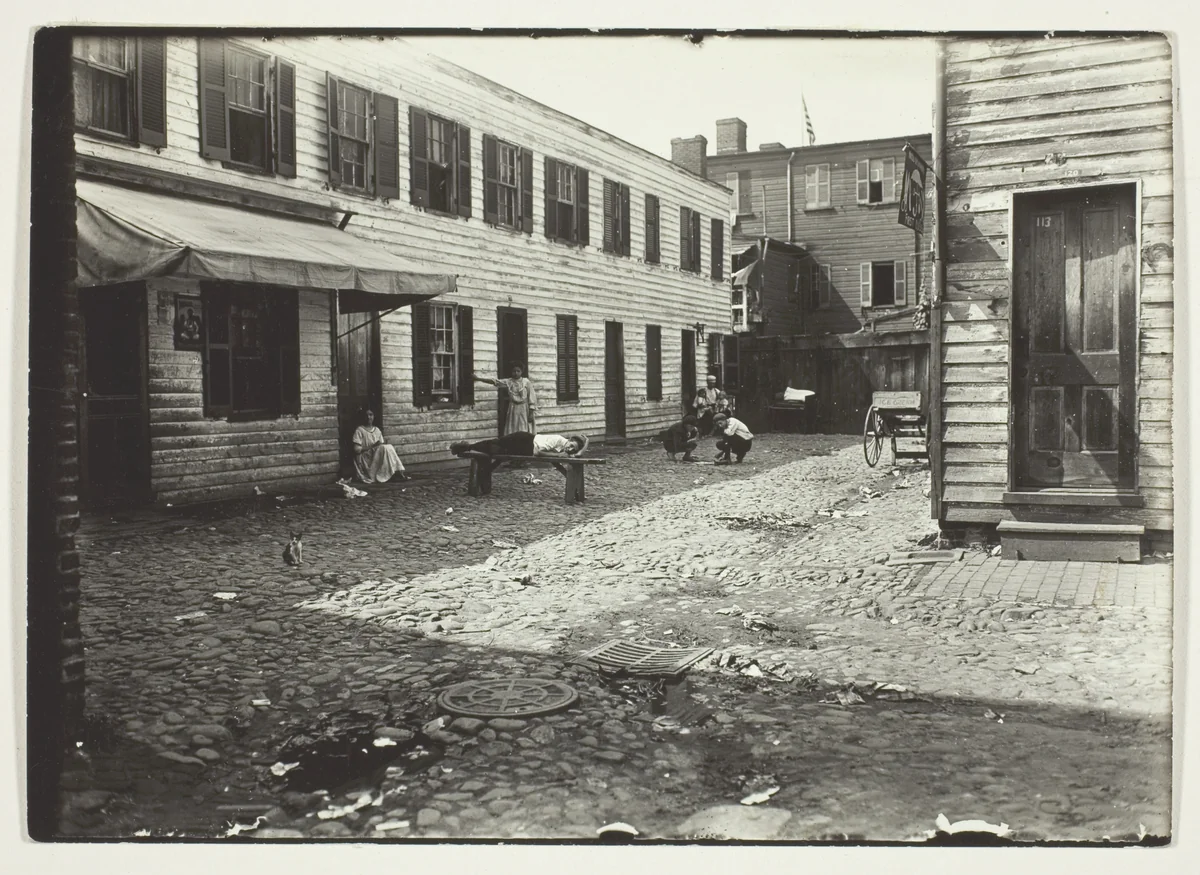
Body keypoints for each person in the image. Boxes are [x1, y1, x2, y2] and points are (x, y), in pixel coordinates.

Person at [475, 365, 537, 435]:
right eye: (514, 371)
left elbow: (532, 397)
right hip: (513, 408)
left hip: (524, 409)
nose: (516, 373)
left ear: (522, 372)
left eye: (518, 371)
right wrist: (479, 379)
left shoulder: (526, 382)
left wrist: (531, 413)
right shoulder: (509, 381)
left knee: (524, 427)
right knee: (513, 427)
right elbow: (495, 381)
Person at [352, 409, 409, 483]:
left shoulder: (377, 430)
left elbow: (381, 447)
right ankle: (394, 473)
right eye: (366, 415)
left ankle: (396, 472)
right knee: (384, 447)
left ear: (374, 416)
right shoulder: (359, 430)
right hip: (366, 458)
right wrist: (373, 446)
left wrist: (378, 446)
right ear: (363, 417)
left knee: (389, 446)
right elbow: (356, 449)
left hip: (376, 456)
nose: (369, 417)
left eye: (371, 415)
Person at [450, 432, 589, 459]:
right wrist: (557, 455)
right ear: (569, 439)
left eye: (573, 449)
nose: (570, 449)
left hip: (526, 448)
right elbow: (538, 453)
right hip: (525, 441)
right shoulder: (558, 440)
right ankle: (466, 447)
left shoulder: (567, 451)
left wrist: (585, 444)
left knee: (495, 449)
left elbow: (579, 454)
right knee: (495, 444)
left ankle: (467, 447)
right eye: (571, 445)